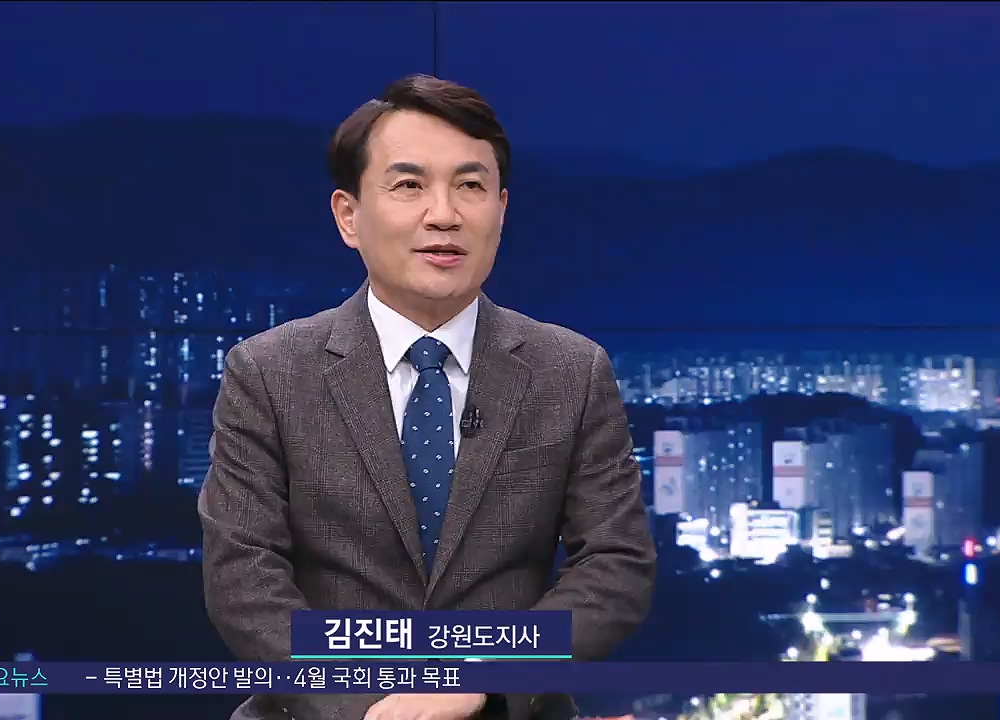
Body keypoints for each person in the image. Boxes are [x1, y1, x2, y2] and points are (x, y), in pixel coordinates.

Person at [199, 74, 657, 720]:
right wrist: (364, 705)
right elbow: (242, 578)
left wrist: (483, 678)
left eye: (470, 186)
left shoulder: (571, 372)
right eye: (409, 185)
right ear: (348, 216)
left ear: (501, 209)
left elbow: (615, 564)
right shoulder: (269, 372)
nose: (444, 214)